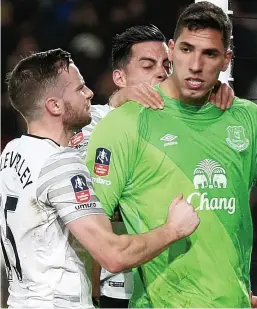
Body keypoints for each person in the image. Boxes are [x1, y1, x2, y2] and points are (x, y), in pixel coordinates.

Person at [85, 2, 257, 308]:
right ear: (173, 49)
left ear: (226, 60)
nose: (195, 65)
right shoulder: (123, 124)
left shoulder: (246, 119)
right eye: (187, 50)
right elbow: (92, 237)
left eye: (210, 54)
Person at [0, 48, 201, 309]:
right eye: (80, 88)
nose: (90, 93)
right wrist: (174, 229)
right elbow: (113, 255)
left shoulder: (12, 152)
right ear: (55, 105)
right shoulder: (61, 163)